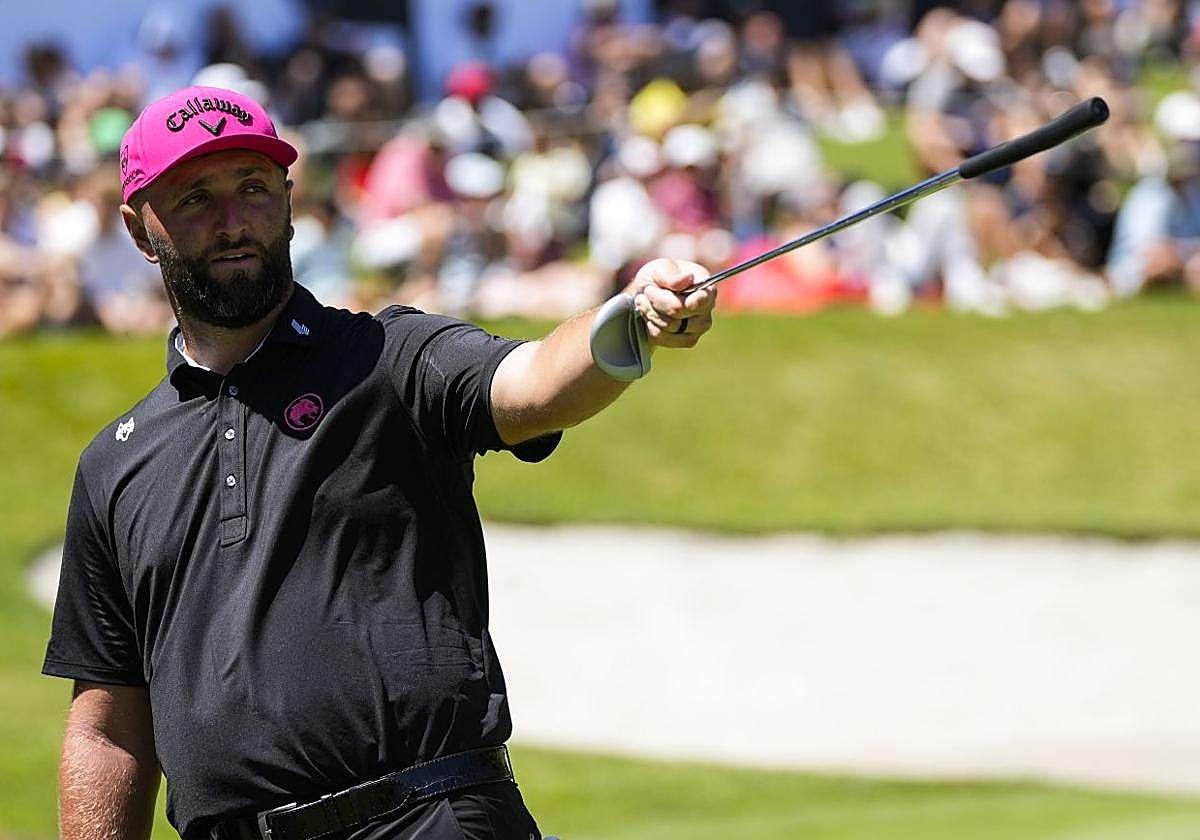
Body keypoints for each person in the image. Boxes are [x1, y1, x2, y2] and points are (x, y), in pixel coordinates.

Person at [41, 85, 715, 840]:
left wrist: (625, 319)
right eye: (196, 198)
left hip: (424, 816)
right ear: (140, 229)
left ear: (290, 201)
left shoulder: (389, 357)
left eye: (255, 189)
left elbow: (531, 383)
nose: (234, 221)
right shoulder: (117, 463)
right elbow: (108, 731)